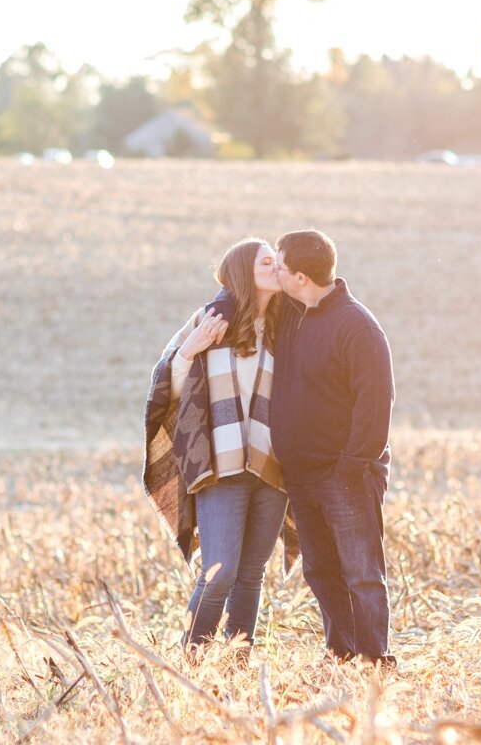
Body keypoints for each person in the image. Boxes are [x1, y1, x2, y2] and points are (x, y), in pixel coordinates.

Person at [142, 238, 291, 652]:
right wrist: (191, 349)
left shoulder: (288, 326)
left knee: (251, 574)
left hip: (272, 464)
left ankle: (237, 662)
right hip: (220, 465)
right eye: (266, 261)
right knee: (219, 571)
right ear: (244, 269)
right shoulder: (210, 320)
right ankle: (192, 658)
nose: (275, 266)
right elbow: (166, 390)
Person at [269, 229, 396, 665]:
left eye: (281, 267)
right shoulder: (289, 313)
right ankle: (341, 654)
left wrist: (351, 467)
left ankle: (374, 660)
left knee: (361, 573)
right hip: (300, 476)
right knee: (320, 571)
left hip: (345, 476)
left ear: (301, 277)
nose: (276, 273)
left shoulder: (357, 327)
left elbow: (376, 402)